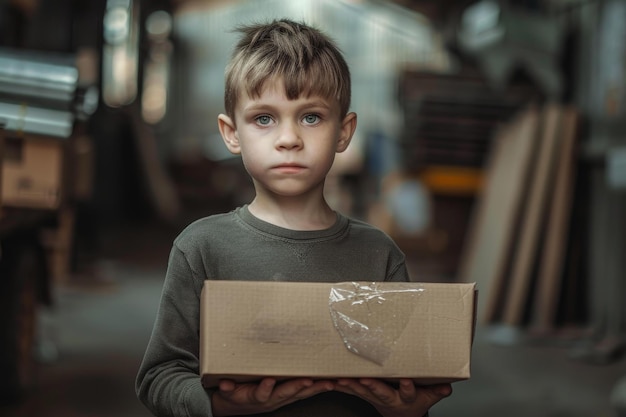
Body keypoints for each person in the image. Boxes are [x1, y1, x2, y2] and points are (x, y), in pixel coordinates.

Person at [136, 18, 452, 417]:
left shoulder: (379, 256)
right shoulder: (201, 248)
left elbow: (402, 381)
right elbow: (159, 376)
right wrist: (218, 406)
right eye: (264, 119)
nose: (289, 139)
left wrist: (406, 410)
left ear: (344, 131)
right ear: (231, 133)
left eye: (311, 117)